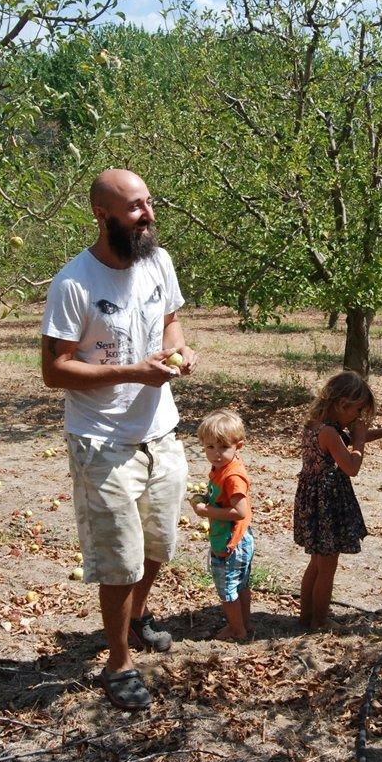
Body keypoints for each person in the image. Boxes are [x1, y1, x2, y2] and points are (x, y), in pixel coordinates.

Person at [40, 168, 197, 711]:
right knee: (119, 560)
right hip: (102, 442)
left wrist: (180, 351)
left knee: (157, 545)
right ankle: (118, 663)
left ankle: (137, 616)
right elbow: (55, 370)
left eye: (148, 203)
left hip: (161, 431)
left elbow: (170, 321)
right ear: (101, 214)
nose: (147, 215)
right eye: (134, 208)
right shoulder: (74, 284)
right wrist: (133, 372)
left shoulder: (158, 261)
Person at [293, 371, 382, 630]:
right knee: (327, 566)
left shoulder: (317, 425)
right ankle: (320, 620)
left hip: (314, 501)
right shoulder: (329, 433)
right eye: (357, 411)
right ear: (342, 405)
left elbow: (353, 438)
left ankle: (306, 616)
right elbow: (351, 466)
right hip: (327, 505)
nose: (358, 417)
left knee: (317, 563)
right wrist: (360, 441)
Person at [190, 409, 255, 641]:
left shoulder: (232, 476)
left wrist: (205, 510)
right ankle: (244, 623)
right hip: (240, 538)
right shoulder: (223, 467)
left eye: (224, 447)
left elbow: (240, 511)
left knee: (228, 590)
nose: (216, 454)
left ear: (239, 446)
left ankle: (237, 630)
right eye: (210, 447)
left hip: (230, 542)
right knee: (241, 585)